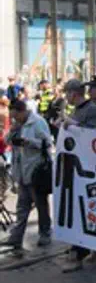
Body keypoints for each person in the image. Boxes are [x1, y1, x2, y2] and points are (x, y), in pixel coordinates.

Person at [58, 79, 96, 273]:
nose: (66, 97)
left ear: (73, 93)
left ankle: (80, 252)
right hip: (76, 168)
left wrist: (73, 125)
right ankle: (83, 248)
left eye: (67, 94)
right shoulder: (77, 110)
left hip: (88, 168)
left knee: (87, 210)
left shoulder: (91, 110)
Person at [0, 99, 53, 258]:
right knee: (22, 206)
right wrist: (13, 132)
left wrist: (29, 142)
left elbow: (47, 143)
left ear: (23, 111)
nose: (15, 119)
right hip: (21, 171)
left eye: (17, 116)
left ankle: (45, 232)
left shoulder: (38, 122)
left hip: (36, 170)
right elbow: (7, 141)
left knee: (40, 204)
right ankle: (16, 237)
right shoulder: (18, 124)